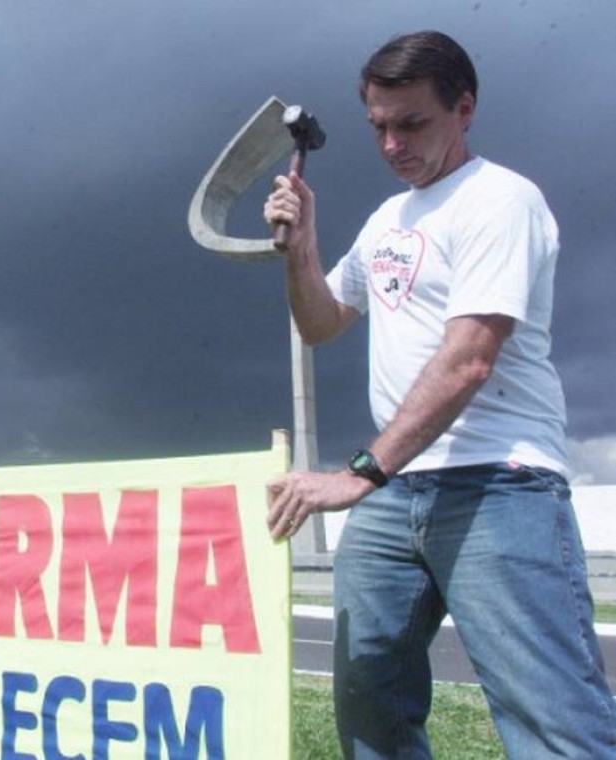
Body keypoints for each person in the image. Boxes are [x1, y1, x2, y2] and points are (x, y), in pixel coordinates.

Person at [262, 30, 615, 758]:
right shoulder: (387, 221)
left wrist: (356, 474)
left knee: (551, 718)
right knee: (370, 713)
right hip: (393, 498)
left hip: (498, 484)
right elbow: (321, 323)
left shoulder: (499, 200)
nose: (391, 144)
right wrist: (301, 250)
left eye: (411, 123)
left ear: (463, 109)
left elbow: (467, 361)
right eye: (377, 126)